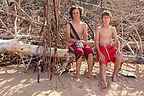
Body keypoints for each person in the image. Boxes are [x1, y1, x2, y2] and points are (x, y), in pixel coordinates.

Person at [66, 6, 94, 82]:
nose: (76, 15)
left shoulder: (84, 25)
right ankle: (77, 74)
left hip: (81, 44)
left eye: (77, 13)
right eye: (74, 13)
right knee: (80, 52)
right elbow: (68, 39)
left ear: (80, 13)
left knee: (90, 52)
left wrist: (83, 42)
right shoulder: (69, 25)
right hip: (72, 44)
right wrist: (79, 41)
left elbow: (85, 39)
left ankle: (89, 73)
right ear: (71, 14)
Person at [95, 10, 122, 88]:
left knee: (119, 57)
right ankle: (104, 81)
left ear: (110, 19)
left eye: (108, 18)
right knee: (103, 64)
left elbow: (117, 41)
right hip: (101, 47)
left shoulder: (112, 29)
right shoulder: (99, 29)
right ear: (102, 19)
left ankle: (114, 75)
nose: (106, 19)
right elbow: (96, 43)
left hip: (110, 48)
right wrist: (99, 53)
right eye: (104, 17)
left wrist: (118, 50)